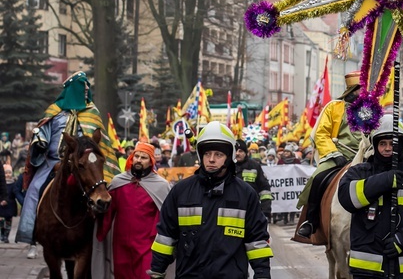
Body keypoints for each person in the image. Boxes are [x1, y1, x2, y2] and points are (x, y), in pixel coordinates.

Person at [149, 122, 273, 279]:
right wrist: (157, 271)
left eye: (218, 154)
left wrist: (262, 275)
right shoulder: (180, 192)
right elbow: (166, 237)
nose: (212, 159)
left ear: (229, 157)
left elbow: (256, 241)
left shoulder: (245, 194)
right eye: (207, 154)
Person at [17, 71, 120, 245]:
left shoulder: (92, 113)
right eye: (81, 87)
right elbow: (43, 130)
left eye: (87, 87)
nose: (85, 91)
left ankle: (98, 235)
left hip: (80, 164)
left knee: (97, 190)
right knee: (35, 190)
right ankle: (32, 234)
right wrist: (40, 140)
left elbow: (98, 143)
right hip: (52, 163)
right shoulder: (54, 111)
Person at [337, 114, 403, 278]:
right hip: (367, 271)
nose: (387, 148)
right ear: (374, 145)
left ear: (402, 146)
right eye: (382, 143)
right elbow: (346, 197)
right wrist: (384, 181)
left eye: (393, 144)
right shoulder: (359, 172)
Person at [296, 71, 363, 238]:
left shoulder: (369, 109)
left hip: (363, 154)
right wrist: (333, 153)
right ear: (353, 89)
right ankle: (311, 221)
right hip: (338, 155)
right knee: (317, 178)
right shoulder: (334, 107)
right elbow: (322, 133)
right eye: (361, 89)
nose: (364, 93)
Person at [92, 143, 171, 279]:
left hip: (147, 247)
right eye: (137, 156)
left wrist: (155, 241)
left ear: (151, 161)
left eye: (144, 157)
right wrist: (100, 231)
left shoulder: (161, 186)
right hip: (121, 246)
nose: (139, 160)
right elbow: (107, 213)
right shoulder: (118, 182)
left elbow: (164, 217)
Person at [234, 139, 272, 223]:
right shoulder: (228, 167)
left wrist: (266, 211)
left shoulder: (254, 166)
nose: (237, 153)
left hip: (252, 209)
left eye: (240, 151)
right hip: (232, 211)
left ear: (246, 153)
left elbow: (264, 189)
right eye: (235, 151)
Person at [0, 164, 14, 243]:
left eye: (9, 172)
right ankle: (2, 234)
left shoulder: (13, 183)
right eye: (6, 173)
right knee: (1, 221)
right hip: (1, 204)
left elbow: (16, 193)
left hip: (10, 205)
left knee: (8, 221)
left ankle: (6, 235)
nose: (7, 174)